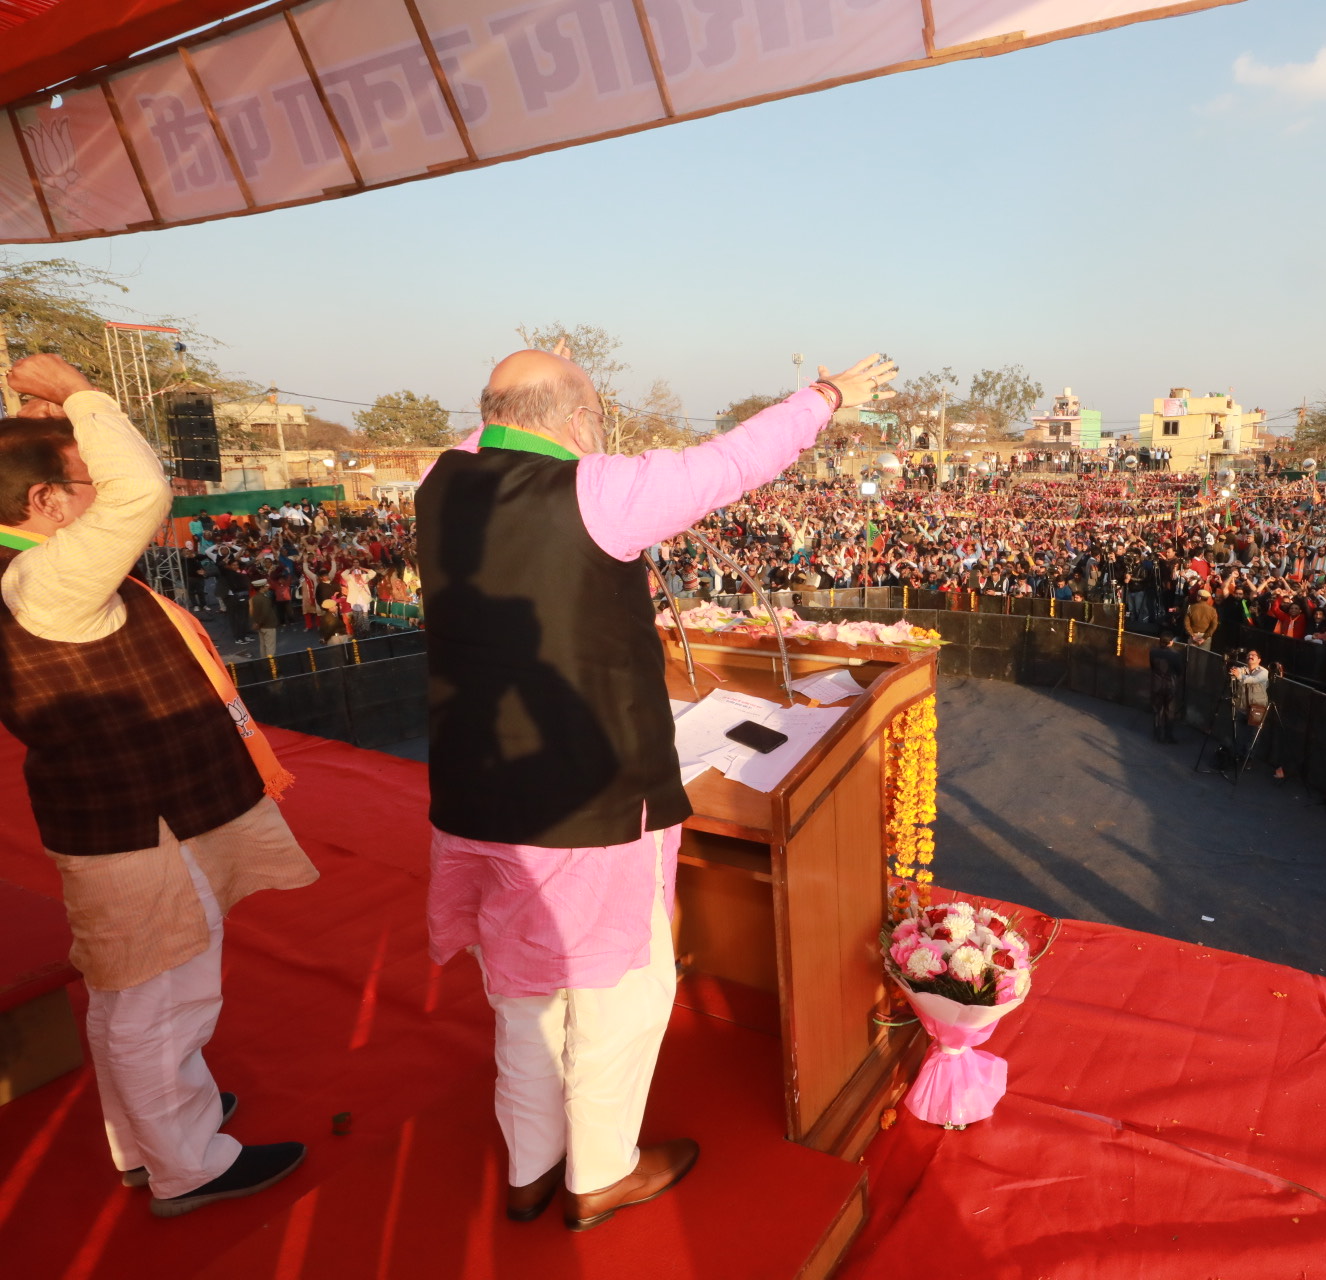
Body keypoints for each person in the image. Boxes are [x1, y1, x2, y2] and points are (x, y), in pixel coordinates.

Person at [416, 346, 896, 1231]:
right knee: (618, 993)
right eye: (594, 418)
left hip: (478, 792)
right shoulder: (598, 491)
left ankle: (531, 1165)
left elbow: (489, 442)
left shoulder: (440, 481)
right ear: (576, 421)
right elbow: (732, 463)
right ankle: (599, 1171)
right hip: (585, 800)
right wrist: (828, 395)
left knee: (522, 991)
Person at [0, 355, 317, 1215]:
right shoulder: (44, 579)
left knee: (126, 992)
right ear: (45, 504)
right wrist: (80, 394)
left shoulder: (34, 571)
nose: (101, 488)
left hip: (124, 818)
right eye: (82, 475)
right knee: (166, 996)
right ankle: (189, 1163)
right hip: (138, 825)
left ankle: (146, 1138)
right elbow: (144, 491)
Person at [1149, 629, 1185, 743]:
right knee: (1169, 711)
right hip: (1170, 686)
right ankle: (1168, 735)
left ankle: (1157, 734)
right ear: (1170, 642)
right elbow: (1179, 671)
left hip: (1157, 684)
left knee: (1157, 710)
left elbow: (1152, 666)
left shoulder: (1153, 652)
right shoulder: (1175, 655)